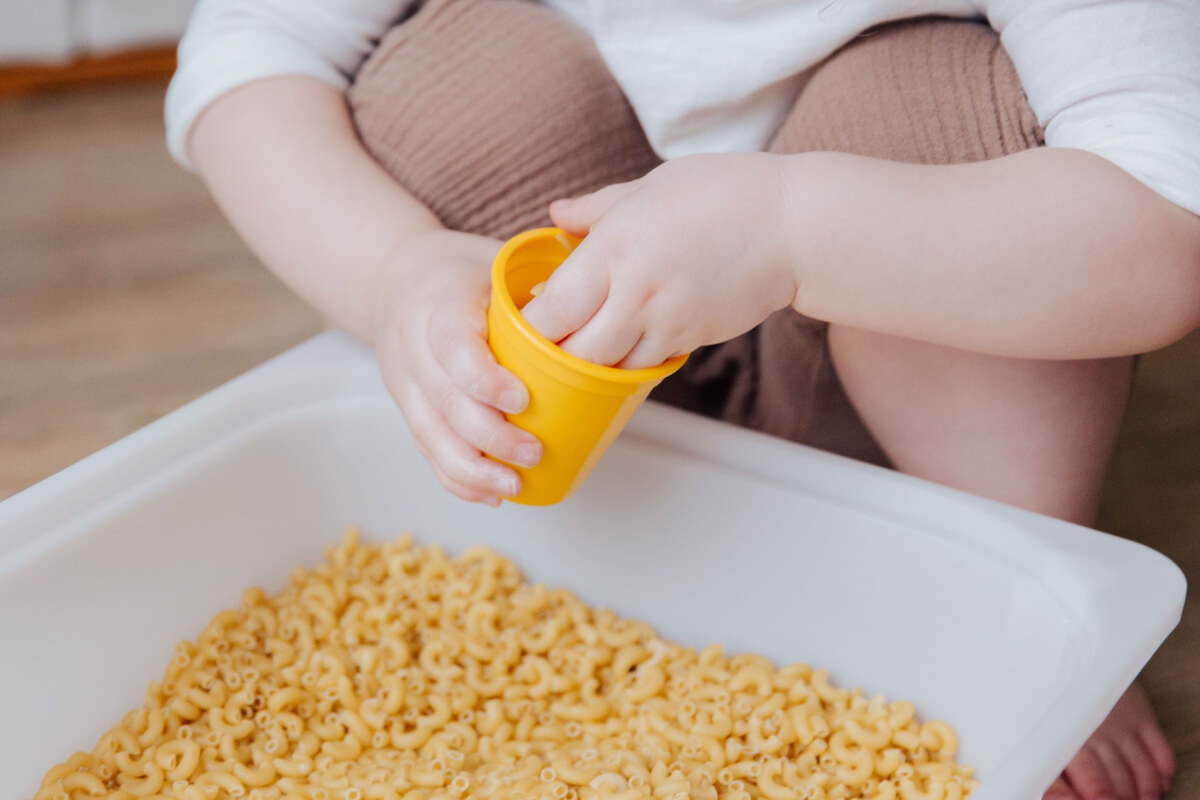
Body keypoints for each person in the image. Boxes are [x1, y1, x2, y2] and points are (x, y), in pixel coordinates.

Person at [165, 1, 1200, 798]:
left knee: (936, 112)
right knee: (453, 86)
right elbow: (248, 56)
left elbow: (1167, 212)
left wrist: (793, 231)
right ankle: (621, 499)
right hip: (589, 380)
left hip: (894, 342)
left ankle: (1019, 572)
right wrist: (398, 271)